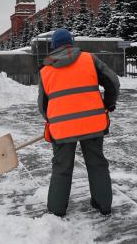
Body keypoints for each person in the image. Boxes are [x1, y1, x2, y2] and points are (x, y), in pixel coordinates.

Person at [38, 28, 120, 217]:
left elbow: (42, 105)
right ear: (71, 43)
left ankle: (57, 210)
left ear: (53, 47)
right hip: (93, 123)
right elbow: (113, 82)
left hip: (62, 128)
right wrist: (108, 103)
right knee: (97, 163)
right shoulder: (89, 59)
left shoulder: (46, 70)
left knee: (61, 167)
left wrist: (53, 119)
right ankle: (103, 204)